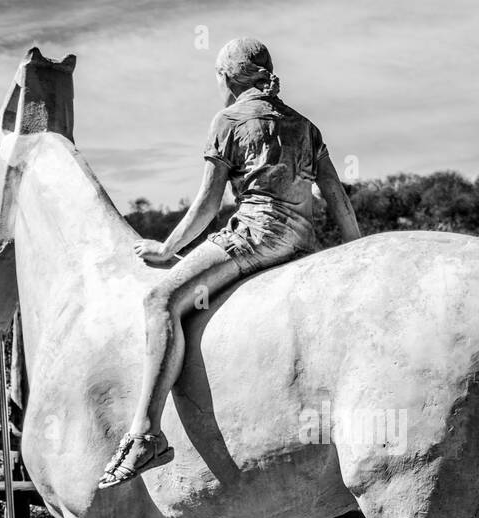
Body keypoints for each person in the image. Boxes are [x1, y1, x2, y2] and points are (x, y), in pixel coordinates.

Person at [98, 37, 361, 489]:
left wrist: (165, 251)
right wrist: (358, 251)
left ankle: (145, 433)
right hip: (303, 242)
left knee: (160, 301)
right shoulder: (304, 124)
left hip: (255, 238)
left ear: (226, 78)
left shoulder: (229, 121)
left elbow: (206, 206)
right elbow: (336, 197)